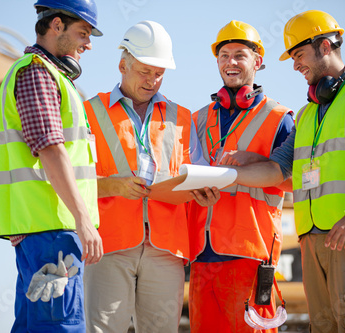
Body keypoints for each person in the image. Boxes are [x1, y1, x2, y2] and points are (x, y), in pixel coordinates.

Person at [224, 10, 345, 333]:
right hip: (313, 243)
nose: (295, 65)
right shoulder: (306, 115)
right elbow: (276, 170)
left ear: (323, 46)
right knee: (324, 325)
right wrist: (232, 173)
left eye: (299, 55)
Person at [83, 20, 219, 333]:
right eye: (145, 71)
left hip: (166, 247)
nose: (152, 80)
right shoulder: (90, 112)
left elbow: (193, 173)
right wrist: (114, 185)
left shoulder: (180, 116)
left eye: (159, 73)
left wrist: (204, 190)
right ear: (122, 65)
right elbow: (73, 180)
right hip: (109, 244)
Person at [0, 0, 103, 331]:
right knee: (60, 326)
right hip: (53, 231)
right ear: (56, 26)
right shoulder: (39, 73)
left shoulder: (46, 75)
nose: (88, 43)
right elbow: (51, 151)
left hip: (42, 229)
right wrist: (84, 221)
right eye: (83, 32)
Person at [186, 20, 295, 333]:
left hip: (251, 254)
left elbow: (293, 182)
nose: (230, 62)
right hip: (202, 254)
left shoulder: (278, 118)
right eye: (223, 55)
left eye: (239, 55)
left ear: (257, 61)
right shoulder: (198, 119)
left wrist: (257, 163)